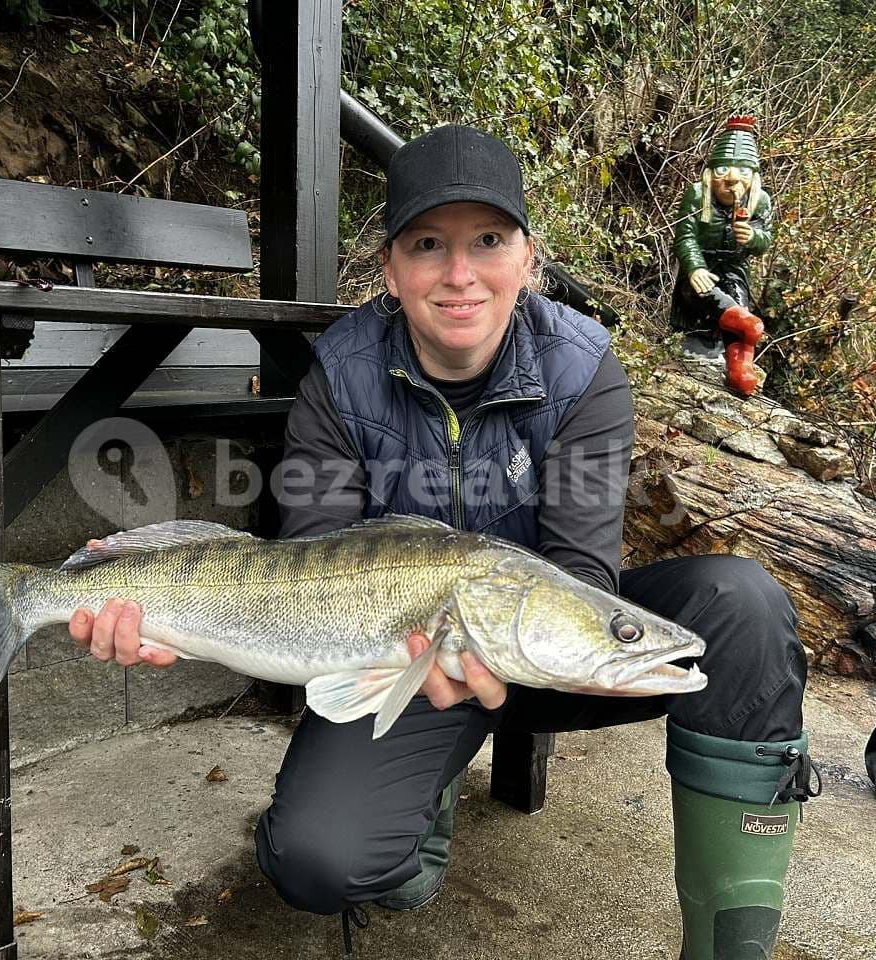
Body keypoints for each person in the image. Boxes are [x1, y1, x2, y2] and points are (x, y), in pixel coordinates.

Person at [68, 124, 818, 960]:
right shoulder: (340, 376)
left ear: (527, 259)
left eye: (488, 241)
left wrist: (544, 637)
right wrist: (170, 616)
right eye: (429, 245)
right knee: (316, 860)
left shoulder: (583, 369)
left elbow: (579, 570)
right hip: (406, 661)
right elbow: (308, 570)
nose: (460, 274)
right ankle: (420, 807)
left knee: (743, 608)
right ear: (391, 269)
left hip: (549, 648)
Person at [670, 115, 774, 396]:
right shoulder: (696, 194)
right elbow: (686, 235)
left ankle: (740, 365)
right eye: (724, 170)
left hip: (734, 268)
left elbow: (766, 240)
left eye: (742, 172)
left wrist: (752, 237)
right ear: (711, 173)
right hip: (702, 266)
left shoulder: (760, 201)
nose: (731, 180)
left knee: (736, 301)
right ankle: (744, 323)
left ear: (752, 177)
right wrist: (694, 267)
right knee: (704, 292)